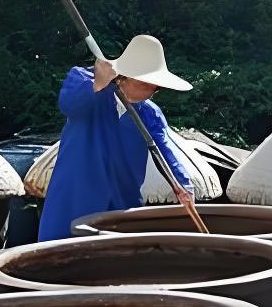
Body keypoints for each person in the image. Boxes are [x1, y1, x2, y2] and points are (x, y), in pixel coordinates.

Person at [37, 34, 197, 240]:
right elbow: (69, 105)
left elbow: (165, 152)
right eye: (150, 84)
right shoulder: (85, 81)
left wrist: (183, 185)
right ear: (131, 77)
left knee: (114, 263)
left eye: (157, 86)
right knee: (60, 260)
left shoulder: (149, 113)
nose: (154, 91)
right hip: (75, 199)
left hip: (121, 203)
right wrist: (97, 85)